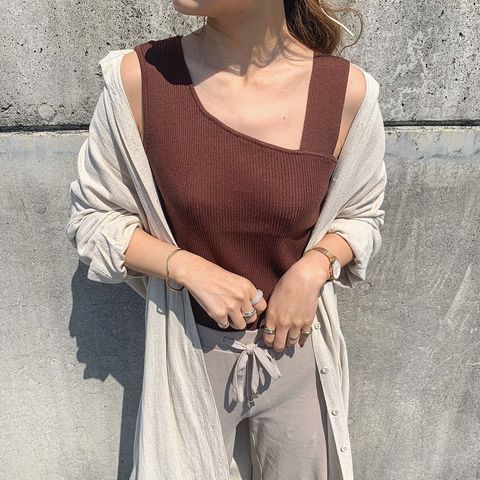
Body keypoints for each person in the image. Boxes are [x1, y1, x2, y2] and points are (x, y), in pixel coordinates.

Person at [66, 1, 387, 478]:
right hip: (188, 360)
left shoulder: (345, 92)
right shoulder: (141, 78)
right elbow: (93, 220)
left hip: (299, 358)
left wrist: (314, 266)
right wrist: (187, 267)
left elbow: (361, 217)